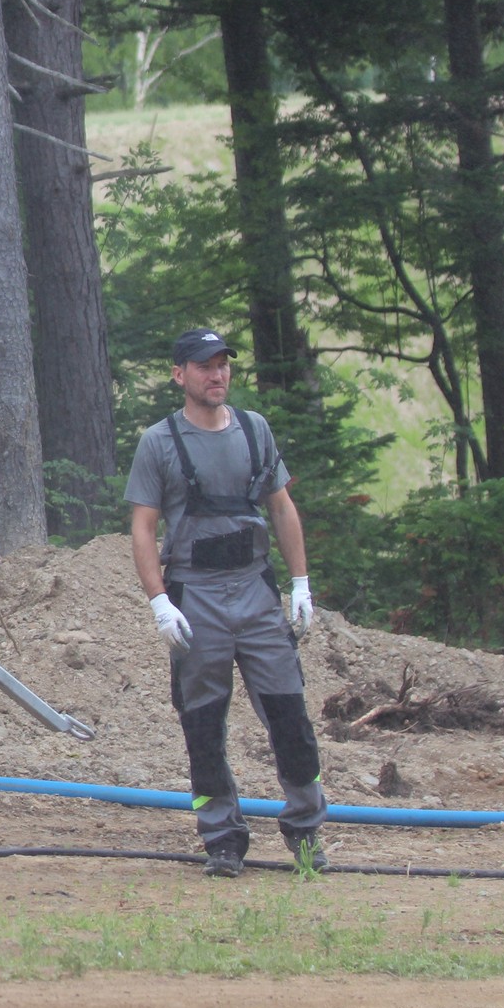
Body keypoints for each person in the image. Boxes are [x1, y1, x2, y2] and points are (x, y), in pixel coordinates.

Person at [125, 329, 324, 877]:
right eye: (204, 366)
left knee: (289, 716)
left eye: (223, 365)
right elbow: (142, 528)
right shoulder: (159, 442)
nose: (217, 375)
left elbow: (281, 508)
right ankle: (222, 841)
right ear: (179, 373)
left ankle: (306, 833)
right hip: (196, 597)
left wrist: (300, 584)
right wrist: (159, 601)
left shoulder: (256, 430)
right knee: (203, 724)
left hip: (256, 592)